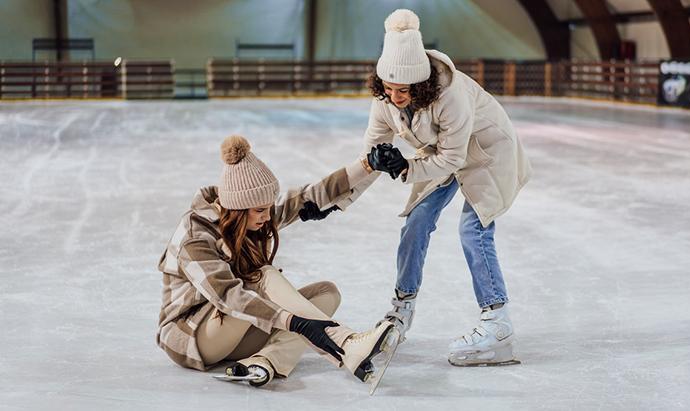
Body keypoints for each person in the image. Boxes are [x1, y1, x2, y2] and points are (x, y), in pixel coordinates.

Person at [336, 9, 532, 366]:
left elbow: (454, 159)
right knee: (416, 221)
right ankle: (401, 309)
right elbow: (370, 153)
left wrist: (407, 167)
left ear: (420, 85)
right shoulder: (385, 100)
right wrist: (339, 196)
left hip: (487, 151)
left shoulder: (450, 94)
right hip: (442, 151)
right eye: (388, 88)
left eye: (403, 90)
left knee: (474, 231)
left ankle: (498, 325)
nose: (394, 97)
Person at [156, 135, 395, 386]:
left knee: (326, 294)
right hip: (195, 337)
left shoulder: (254, 217)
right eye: (260, 210)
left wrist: (368, 165)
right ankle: (347, 342)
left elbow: (310, 195)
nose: (267, 216)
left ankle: (265, 361)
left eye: (269, 207)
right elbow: (228, 297)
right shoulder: (195, 236)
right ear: (237, 209)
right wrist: (295, 323)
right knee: (263, 277)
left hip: (238, 329)